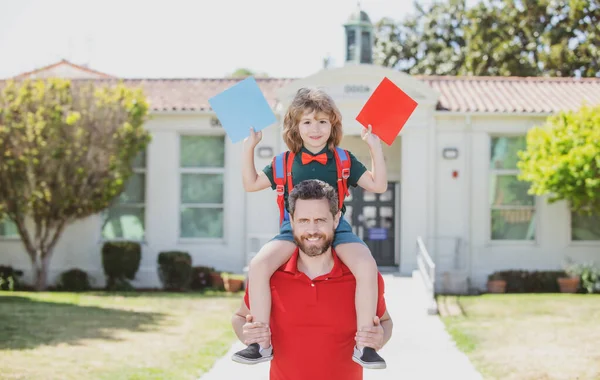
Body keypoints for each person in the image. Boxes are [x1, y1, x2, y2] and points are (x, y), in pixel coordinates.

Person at [234, 87, 388, 368]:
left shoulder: (344, 159)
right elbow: (251, 183)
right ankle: (260, 342)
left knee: (366, 265)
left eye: (322, 122)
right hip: (291, 228)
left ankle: (365, 345)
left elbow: (378, 185)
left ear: (333, 125)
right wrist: (249, 147)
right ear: (295, 126)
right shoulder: (283, 162)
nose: (315, 129)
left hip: (336, 225)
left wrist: (374, 147)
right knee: (258, 265)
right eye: (307, 122)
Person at [231, 179, 393, 380]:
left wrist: (380, 338)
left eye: (320, 220)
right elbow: (239, 318)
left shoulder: (361, 277)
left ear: (336, 219)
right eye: (303, 221)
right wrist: (246, 334)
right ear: (291, 221)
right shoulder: (270, 277)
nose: (312, 230)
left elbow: (385, 321)